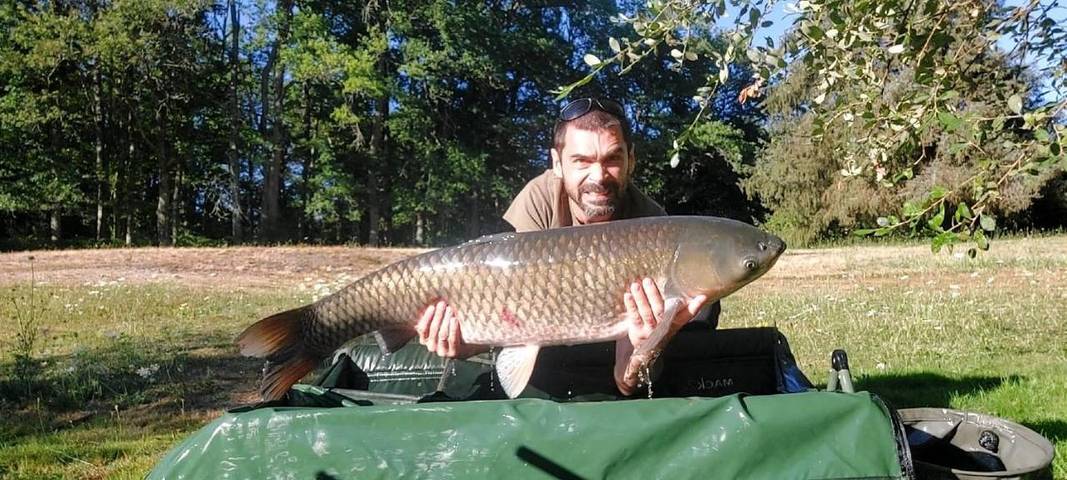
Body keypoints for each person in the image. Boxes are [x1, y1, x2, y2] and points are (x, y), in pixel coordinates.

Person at [413, 97, 714, 395]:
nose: (598, 176)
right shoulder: (539, 200)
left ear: (630, 160)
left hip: (617, 337)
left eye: (612, 159)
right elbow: (513, 303)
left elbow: (626, 381)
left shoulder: (653, 223)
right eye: (582, 161)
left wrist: (646, 346)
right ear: (557, 164)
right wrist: (467, 342)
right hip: (537, 332)